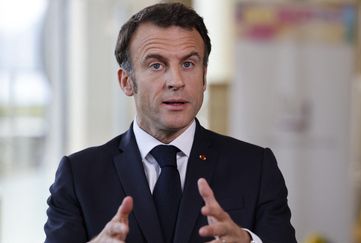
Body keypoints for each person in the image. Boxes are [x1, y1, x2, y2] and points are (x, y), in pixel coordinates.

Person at [44, 3, 296, 243]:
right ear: (126, 81)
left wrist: (246, 241)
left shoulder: (255, 167)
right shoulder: (79, 176)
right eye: (156, 65)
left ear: (204, 76)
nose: (176, 81)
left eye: (188, 64)